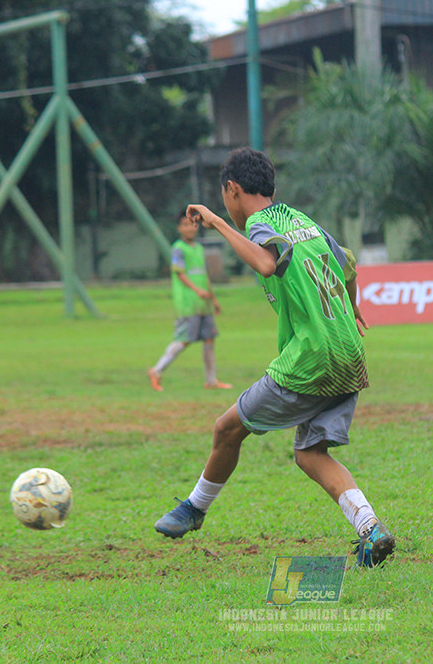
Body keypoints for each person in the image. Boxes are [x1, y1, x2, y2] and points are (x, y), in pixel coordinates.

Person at [153, 147, 395, 567]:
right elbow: (349, 265)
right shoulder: (301, 220)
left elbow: (267, 263)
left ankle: (194, 509)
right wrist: (351, 307)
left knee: (227, 428)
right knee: (311, 454)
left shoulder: (262, 225)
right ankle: (370, 530)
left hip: (312, 356)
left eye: (223, 201)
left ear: (231, 190)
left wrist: (212, 221)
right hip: (350, 354)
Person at [147, 210, 231, 391]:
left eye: (191, 224)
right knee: (184, 339)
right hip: (188, 303)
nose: (189, 228)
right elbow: (180, 274)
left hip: (204, 303)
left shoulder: (199, 249)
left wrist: (213, 298)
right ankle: (157, 370)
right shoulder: (178, 248)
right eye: (184, 224)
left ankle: (211, 381)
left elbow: (205, 275)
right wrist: (197, 290)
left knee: (209, 339)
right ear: (179, 228)